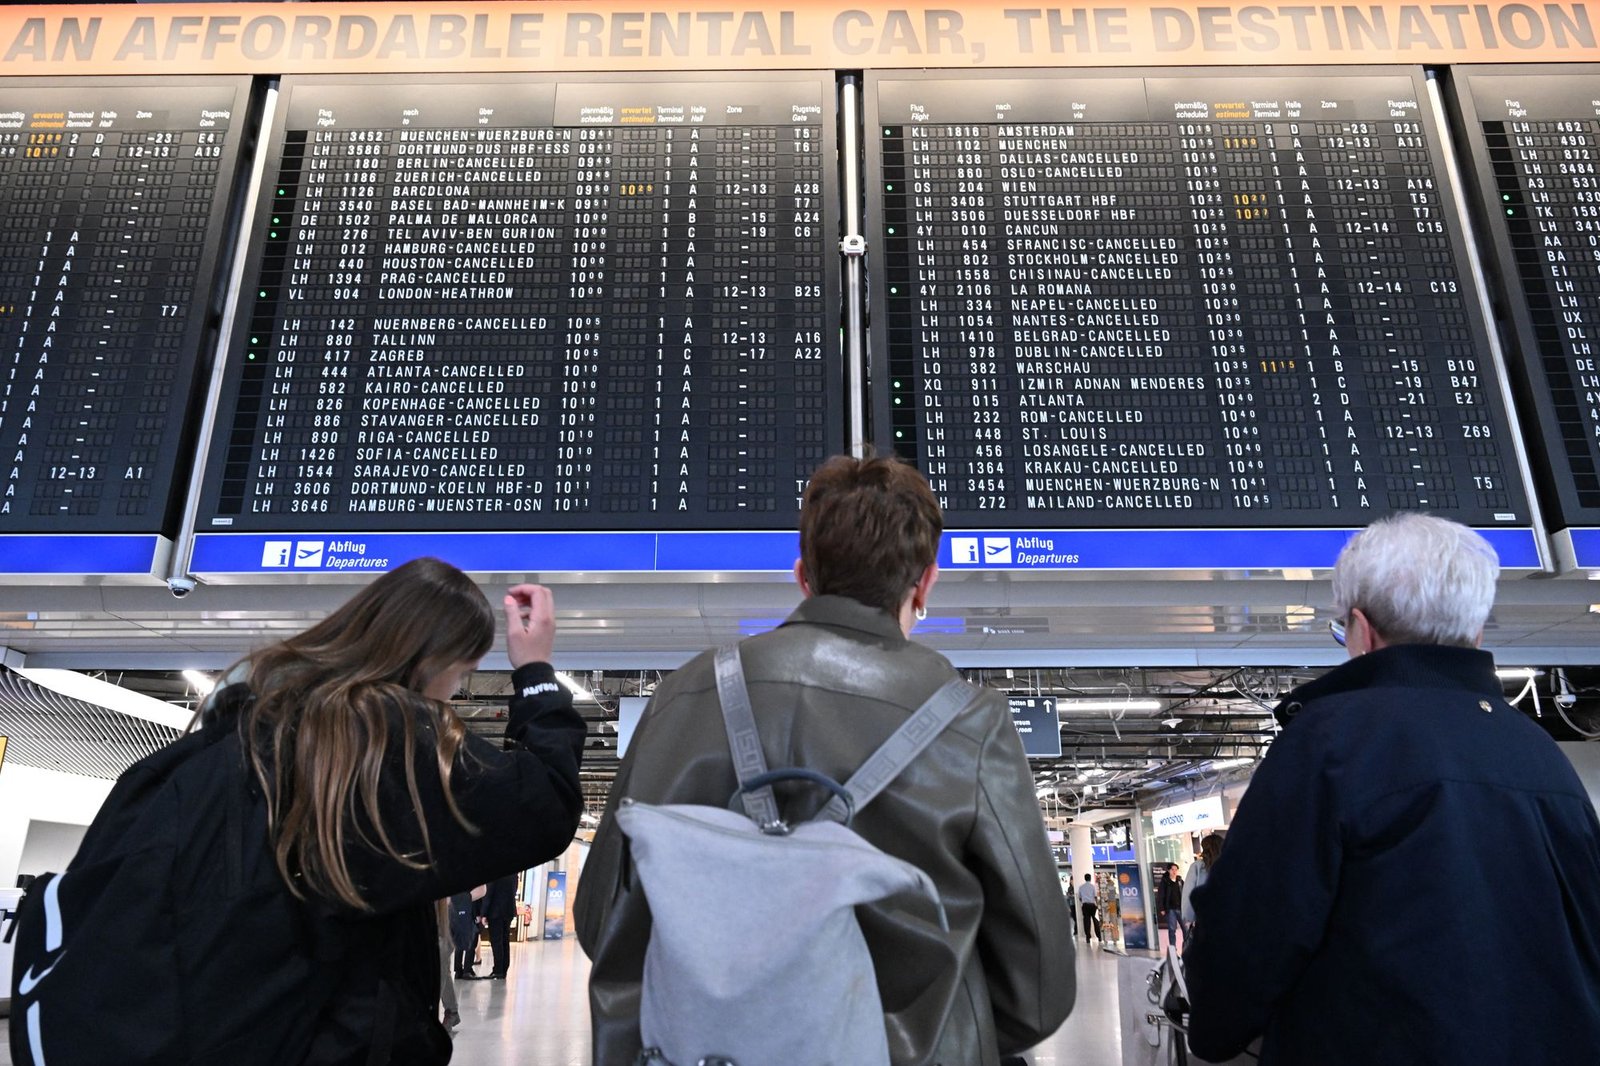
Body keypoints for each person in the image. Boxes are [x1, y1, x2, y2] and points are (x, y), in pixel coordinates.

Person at [574, 453, 1076, 1066]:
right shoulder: (971, 722)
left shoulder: (680, 694)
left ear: (803, 575)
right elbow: (1040, 989)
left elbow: (601, 918)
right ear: (925, 583)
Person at [1184, 514, 1600, 1064]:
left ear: (1360, 629)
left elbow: (1251, 928)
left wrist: (1215, 1026)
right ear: (1474, 632)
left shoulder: (1329, 744)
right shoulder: (1537, 748)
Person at [195, 557, 585, 1064]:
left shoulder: (229, 736)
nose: (452, 693)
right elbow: (545, 807)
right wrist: (535, 674)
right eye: (460, 673)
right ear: (432, 661)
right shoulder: (390, 749)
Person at [1179, 833, 1222, 939]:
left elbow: (1189, 894)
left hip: (1204, 920)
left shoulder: (1197, 867)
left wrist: (1188, 917)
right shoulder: (1230, 864)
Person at [481, 872, 519, 979]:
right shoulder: (514, 874)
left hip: (495, 911)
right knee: (505, 940)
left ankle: (498, 970)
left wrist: (484, 913)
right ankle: (504, 968)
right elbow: (514, 890)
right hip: (509, 910)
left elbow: (489, 894)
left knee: (496, 941)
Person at [449, 889, 481, 979]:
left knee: (459, 941)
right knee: (471, 942)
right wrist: (478, 913)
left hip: (457, 913)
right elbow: (480, 894)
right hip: (470, 914)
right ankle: (467, 969)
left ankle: (458, 970)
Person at [1156, 862, 1183, 951]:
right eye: (1172, 870)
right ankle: (1173, 948)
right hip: (1170, 909)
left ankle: (1187, 945)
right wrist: (1162, 908)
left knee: (1185, 928)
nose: (1174, 871)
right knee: (1172, 929)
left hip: (1180, 908)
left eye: (1176, 870)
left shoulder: (1180, 881)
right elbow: (1161, 895)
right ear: (1169, 870)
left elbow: (1185, 893)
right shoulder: (1165, 882)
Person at [1077, 873, 1101, 944]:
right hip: (1092, 905)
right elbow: (1095, 896)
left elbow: (1080, 897)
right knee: (1094, 919)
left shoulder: (1081, 887)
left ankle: (1088, 937)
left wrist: (1083, 902)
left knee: (1086, 921)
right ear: (1090, 878)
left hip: (1085, 905)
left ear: (1085, 878)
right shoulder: (1093, 886)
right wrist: (1096, 904)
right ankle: (1099, 936)